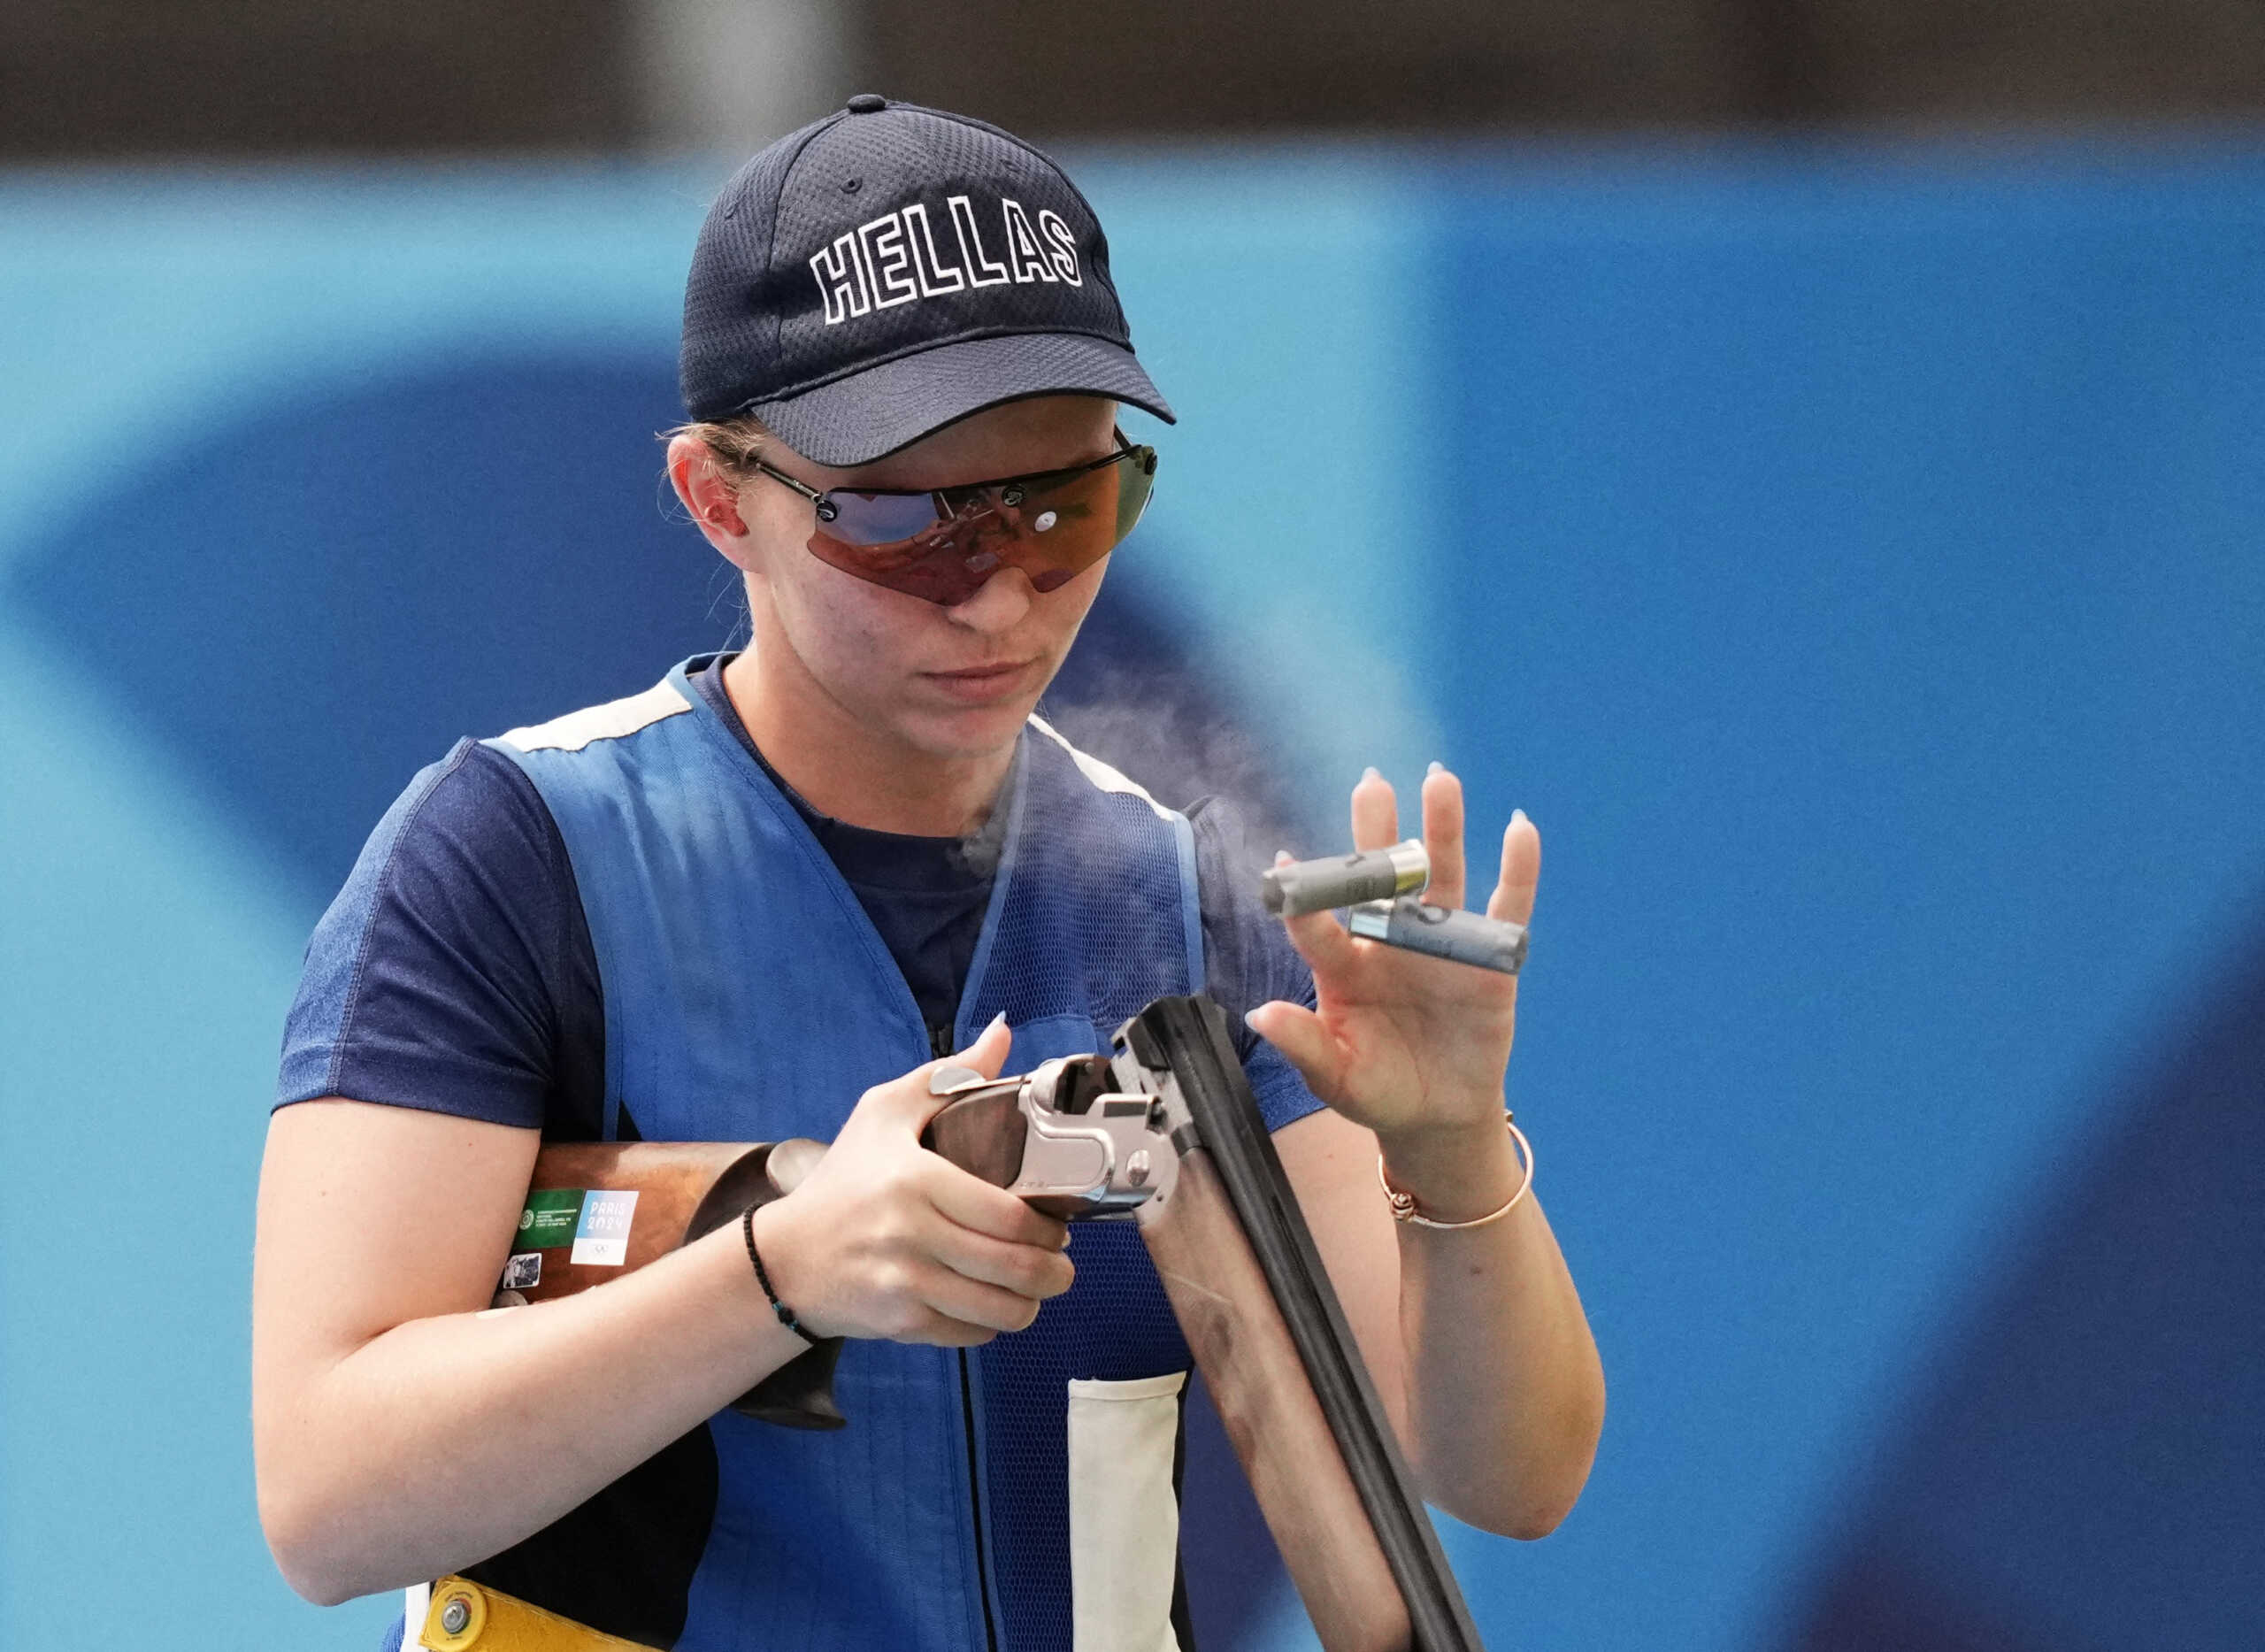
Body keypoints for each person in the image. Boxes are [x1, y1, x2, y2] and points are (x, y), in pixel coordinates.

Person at [251, 96, 1603, 1652]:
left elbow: (1512, 1480)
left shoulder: (1186, 901)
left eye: (1066, 507)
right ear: (717, 499)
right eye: (909, 528)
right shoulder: (515, 852)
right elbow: (326, 1498)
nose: (1003, 597)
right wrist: (780, 1271)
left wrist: (1451, 1151)